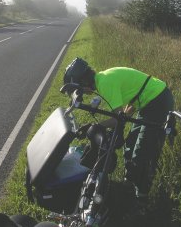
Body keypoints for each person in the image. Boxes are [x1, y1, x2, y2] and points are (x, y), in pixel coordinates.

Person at [63, 57, 174, 215]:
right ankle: (129, 186)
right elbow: (124, 109)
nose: (83, 93)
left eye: (79, 89)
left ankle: (141, 201)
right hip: (146, 103)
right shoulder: (102, 79)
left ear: (84, 82)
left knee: (142, 153)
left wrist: (96, 125)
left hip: (157, 101)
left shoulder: (105, 83)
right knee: (129, 148)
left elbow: (115, 119)